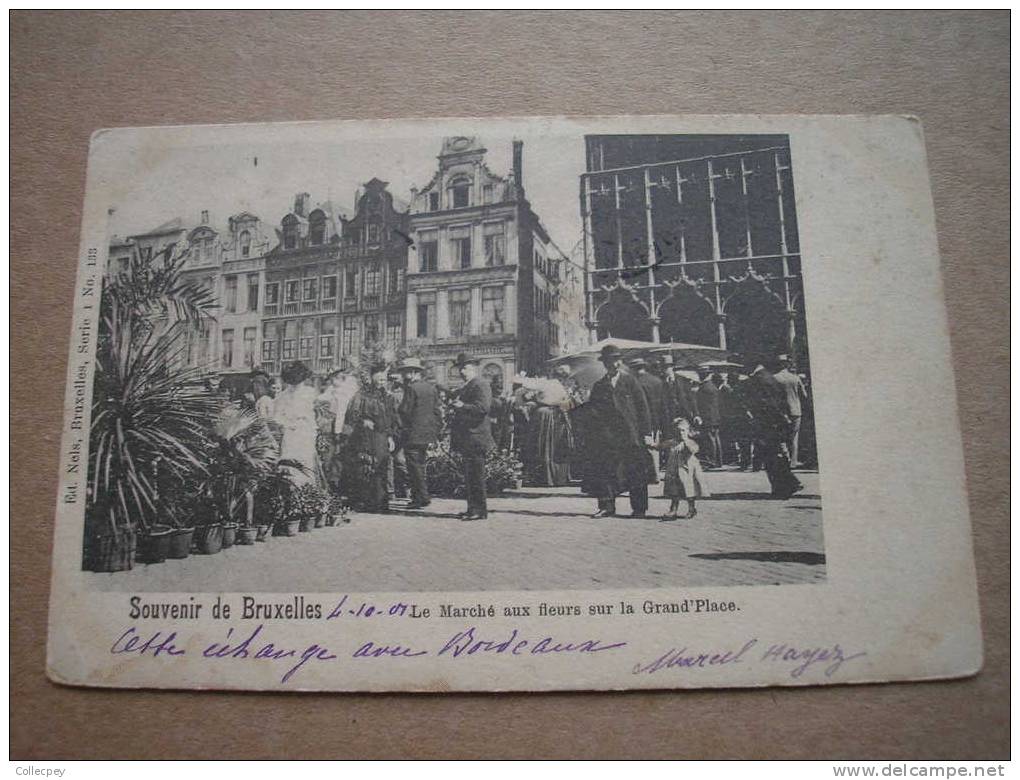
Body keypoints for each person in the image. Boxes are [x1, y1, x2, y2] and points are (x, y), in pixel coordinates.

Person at [585, 344, 655, 518]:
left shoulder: (631, 382)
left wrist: (646, 433)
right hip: (607, 436)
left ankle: (639, 508)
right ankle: (607, 506)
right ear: (605, 363)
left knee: (636, 471)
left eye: (617, 360)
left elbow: (643, 409)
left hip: (631, 435)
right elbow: (592, 411)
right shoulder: (599, 385)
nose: (614, 364)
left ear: (621, 362)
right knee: (606, 470)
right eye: (610, 361)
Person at [343, 363, 398, 513]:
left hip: (381, 436)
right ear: (372, 377)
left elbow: (392, 418)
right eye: (378, 376)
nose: (382, 380)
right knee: (364, 466)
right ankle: (364, 500)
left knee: (381, 467)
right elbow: (351, 415)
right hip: (364, 436)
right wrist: (363, 421)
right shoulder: (362, 395)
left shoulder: (387, 397)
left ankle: (380, 502)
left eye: (384, 377)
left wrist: (391, 437)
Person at [745, 358, 803, 499]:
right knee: (775, 456)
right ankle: (787, 485)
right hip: (774, 423)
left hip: (768, 424)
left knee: (772, 458)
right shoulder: (767, 377)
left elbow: (768, 404)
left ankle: (785, 487)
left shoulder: (760, 379)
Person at [449, 352, 495, 521]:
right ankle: (472, 508)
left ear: (474, 368)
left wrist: (462, 406)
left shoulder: (480, 384)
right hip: (469, 437)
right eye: (460, 368)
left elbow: (483, 408)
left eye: (465, 368)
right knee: (470, 476)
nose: (462, 371)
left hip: (476, 437)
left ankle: (479, 510)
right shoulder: (469, 385)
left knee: (476, 476)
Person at [396, 357, 441, 510]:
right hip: (427, 434)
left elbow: (405, 410)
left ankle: (421, 497)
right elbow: (437, 411)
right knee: (420, 465)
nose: (403, 375)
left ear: (413, 373)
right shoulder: (431, 388)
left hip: (412, 433)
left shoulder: (411, 388)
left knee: (414, 467)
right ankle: (420, 496)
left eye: (405, 372)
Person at [273, 361, 319, 485]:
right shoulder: (282, 396)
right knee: (290, 462)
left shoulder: (310, 393)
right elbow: (276, 416)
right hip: (290, 433)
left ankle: (307, 491)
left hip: (305, 433)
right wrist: (287, 424)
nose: (295, 386)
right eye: (292, 383)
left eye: (298, 383)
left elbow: (312, 415)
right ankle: (292, 489)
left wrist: (312, 431)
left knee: (306, 462)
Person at [661, 416, 710, 520]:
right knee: (674, 492)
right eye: (677, 431)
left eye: (683, 430)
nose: (680, 433)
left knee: (689, 490)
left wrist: (685, 443)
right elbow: (661, 445)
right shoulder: (672, 442)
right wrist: (652, 444)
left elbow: (694, 450)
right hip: (674, 471)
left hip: (687, 471)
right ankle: (673, 509)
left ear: (688, 431)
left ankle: (691, 509)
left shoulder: (690, 441)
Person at [772, 354, 809, 468]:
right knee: (794, 438)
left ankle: (785, 458)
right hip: (796, 411)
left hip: (782, 412)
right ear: (787, 364)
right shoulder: (795, 378)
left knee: (781, 437)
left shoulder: (775, 378)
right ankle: (793, 462)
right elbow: (804, 395)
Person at [385, 370, 409, 500]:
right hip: (395, 432)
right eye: (391, 379)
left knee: (397, 461)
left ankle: (398, 490)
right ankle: (398, 490)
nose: (393, 382)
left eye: (395, 379)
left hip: (398, 432)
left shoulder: (398, 396)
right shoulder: (391, 396)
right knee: (396, 461)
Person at [696, 369, 722, 469]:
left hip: (708, 417)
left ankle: (712, 461)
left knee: (710, 439)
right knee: (716, 438)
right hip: (715, 417)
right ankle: (718, 461)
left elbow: (703, 405)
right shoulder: (713, 386)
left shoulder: (704, 387)